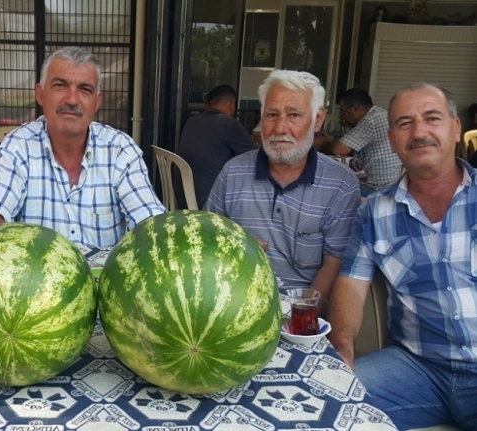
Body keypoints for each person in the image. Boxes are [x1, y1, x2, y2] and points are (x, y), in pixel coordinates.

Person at [326, 83, 476, 430]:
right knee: (319, 401)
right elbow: (350, 284)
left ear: (455, 129)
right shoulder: (375, 212)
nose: (419, 132)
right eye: (404, 123)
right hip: (416, 368)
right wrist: (343, 352)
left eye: (432, 118)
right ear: (392, 139)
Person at [0, 46, 164, 248]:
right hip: (35, 276)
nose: (71, 99)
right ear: (40, 94)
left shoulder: (120, 150)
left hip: (103, 277)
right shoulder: (18, 146)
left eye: (85, 89)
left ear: (97, 103)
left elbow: (150, 223)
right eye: (60, 85)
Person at [204, 70, 361, 311]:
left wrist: (301, 316)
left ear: (317, 119)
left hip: (301, 306)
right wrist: (236, 245)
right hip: (233, 304)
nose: (280, 128)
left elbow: (334, 261)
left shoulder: (340, 184)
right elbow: (207, 239)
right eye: (272, 114)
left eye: (294, 115)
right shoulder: (233, 172)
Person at [176, 85, 257, 208]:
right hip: (211, 202)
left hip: (183, 197)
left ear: (207, 105)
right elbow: (256, 157)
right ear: (231, 104)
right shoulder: (229, 124)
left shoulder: (191, 121)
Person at [314, 88, 402, 196]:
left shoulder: (370, 120)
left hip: (375, 189)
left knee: (328, 184)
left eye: (343, 112)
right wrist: (330, 141)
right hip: (390, 185)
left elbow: (339, 150)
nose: (342, 117)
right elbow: (352, 147)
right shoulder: (380, 114)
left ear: (355, 108)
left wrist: (321, 144)